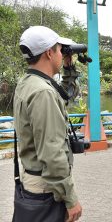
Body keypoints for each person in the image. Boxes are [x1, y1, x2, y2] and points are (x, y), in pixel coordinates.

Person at [13, 26, 82, 222]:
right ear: (49, 53)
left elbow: (64, 97)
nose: (62, 54)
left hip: (34, 179)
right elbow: (52, 154)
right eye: (60, 49)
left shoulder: (28, 82)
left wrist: (69, 69)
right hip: (46, 186)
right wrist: (70, 199)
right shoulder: (43, 93)